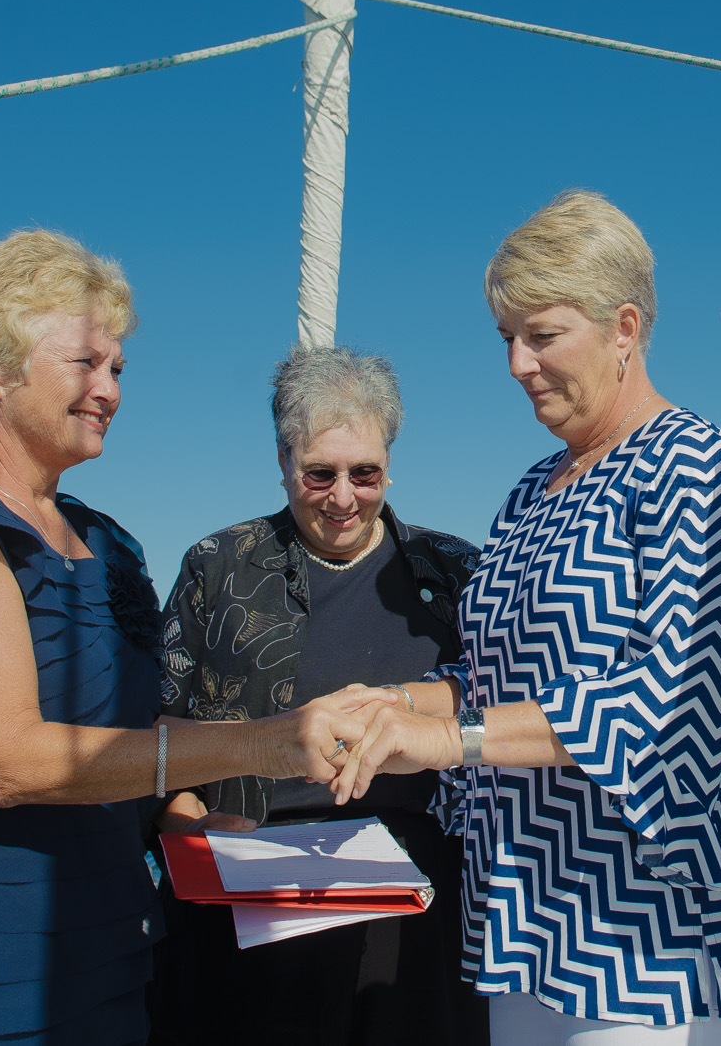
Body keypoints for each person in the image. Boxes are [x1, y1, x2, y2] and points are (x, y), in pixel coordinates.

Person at [0, 229, 386, 1046]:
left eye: (118, 369)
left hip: (119, 961)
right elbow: (5, 760)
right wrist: (264, 743)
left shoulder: (113, 545)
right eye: (85, 364)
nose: (109, 390)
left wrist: (223, 841)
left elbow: (143, 746)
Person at [329, 190, 721, 1044]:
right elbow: (490, 678)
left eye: (541, 335)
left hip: (644, 932)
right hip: (525, 918)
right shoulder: (530, 490)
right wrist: (394, 703)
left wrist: (444, 741)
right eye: (507, 337)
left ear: (624, 327)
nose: (515, 362)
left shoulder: (699, 464)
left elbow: (669, 709)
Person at [149, 346, 489, 1046]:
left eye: (365, 473)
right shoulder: (217, 567)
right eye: (319, 473)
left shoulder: (456, 573)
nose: (343, 496)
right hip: (250, 914)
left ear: (390, 462)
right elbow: (156, 734)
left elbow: (496, 719)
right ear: (282, 463)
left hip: (419, 921)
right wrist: (184, 824)